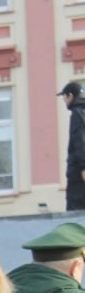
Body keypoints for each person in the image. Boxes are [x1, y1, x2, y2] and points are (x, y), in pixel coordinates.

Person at [62, 82, 85, 211]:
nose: (64, 101)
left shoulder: (77, 113)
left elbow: (80, 140)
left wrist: (83, 167)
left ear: (70, 95)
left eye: (64, 97)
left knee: (75, 216)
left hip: (78, 175)